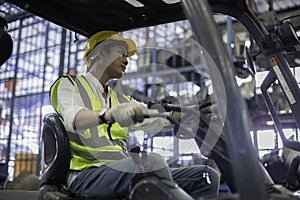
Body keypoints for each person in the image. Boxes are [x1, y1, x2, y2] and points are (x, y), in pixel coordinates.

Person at [50, 30, 220, 199]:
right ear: (101, 52)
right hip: (87, 174)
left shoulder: (120, 99)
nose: (126, 60)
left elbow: (159, 117)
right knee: (152, 162)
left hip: (119, 170)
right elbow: (76, 118)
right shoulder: (69, 85)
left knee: (206, 177)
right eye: (121, 54)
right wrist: (108, 114)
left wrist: (198, 110)